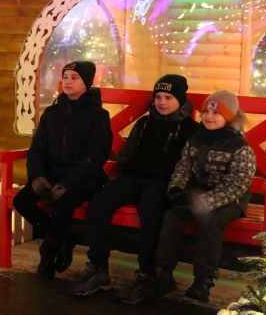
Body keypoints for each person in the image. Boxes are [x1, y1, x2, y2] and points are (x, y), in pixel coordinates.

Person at [71, 75, 199, 298]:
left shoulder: (190, 130)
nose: (161, 102)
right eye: (158, 97)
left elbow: (190, 166)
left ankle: (147, 275)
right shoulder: (145, 123)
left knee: (150, 211)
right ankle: (98, 269)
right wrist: (124, 172)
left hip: (164, 182)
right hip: (134, 177)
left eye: (168, 97)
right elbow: (127, 154)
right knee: (99, 203)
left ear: (180, 99)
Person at [141, 90, 256, 304]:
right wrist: (177, 189)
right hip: (198, 193)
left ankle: (203, 280)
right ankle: (163, 272)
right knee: (173, 216)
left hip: (230, 198)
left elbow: (238, 183)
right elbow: (183, 167)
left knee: (211, 221)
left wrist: (205, 202)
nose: (209, 117)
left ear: (229, 117)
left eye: (216, 113)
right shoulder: (195, 140)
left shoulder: (240, 147)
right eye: (205, 112)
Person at [13, 60, 112, 279]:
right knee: (22, 201)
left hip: (84, 177)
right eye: (65, 77)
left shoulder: (98, 116)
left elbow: (96, 156)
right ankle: (63, 238)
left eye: (74, 78)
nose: (68, 82)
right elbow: (37, 149)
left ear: (87, 82)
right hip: (51, 173)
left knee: (63, 203)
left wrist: (67, 183)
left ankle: (48, 253)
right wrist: (37, 176)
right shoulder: (52, 113)